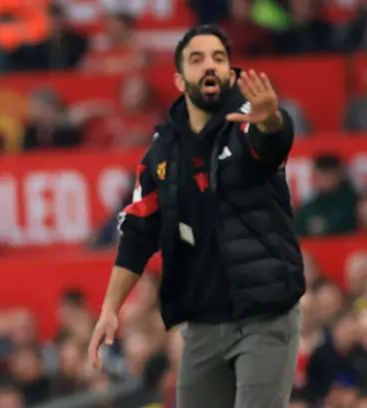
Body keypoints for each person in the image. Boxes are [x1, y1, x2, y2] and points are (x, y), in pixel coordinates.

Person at [88, 25, 305, 408]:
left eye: (219, 59)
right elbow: (139, 230)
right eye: (197, 58)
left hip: (264, 313)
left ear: (231, 74)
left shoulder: (247, 124)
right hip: (203, 323)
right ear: (178, 78)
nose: (210, 66)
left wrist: (271, 119)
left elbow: (273, 140)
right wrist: (109, 308)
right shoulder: (161, 154)